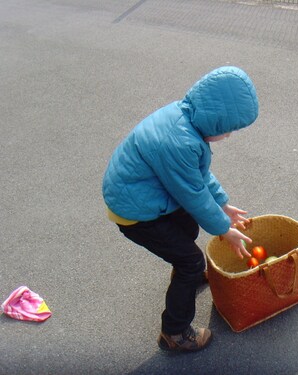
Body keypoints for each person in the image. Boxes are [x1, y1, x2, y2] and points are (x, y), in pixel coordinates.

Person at [102, 66, 259, 352]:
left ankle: (186, 272)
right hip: (135, 212)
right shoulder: (179, 141)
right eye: (228, 129)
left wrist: (223, 204)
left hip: (147, 191)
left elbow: (197, 175)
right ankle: (174, 334)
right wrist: (225, 230)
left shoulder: (186, 118)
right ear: (214, 119)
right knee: (191, 261)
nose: (229, 135)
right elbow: (193, 194)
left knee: (187, 227)